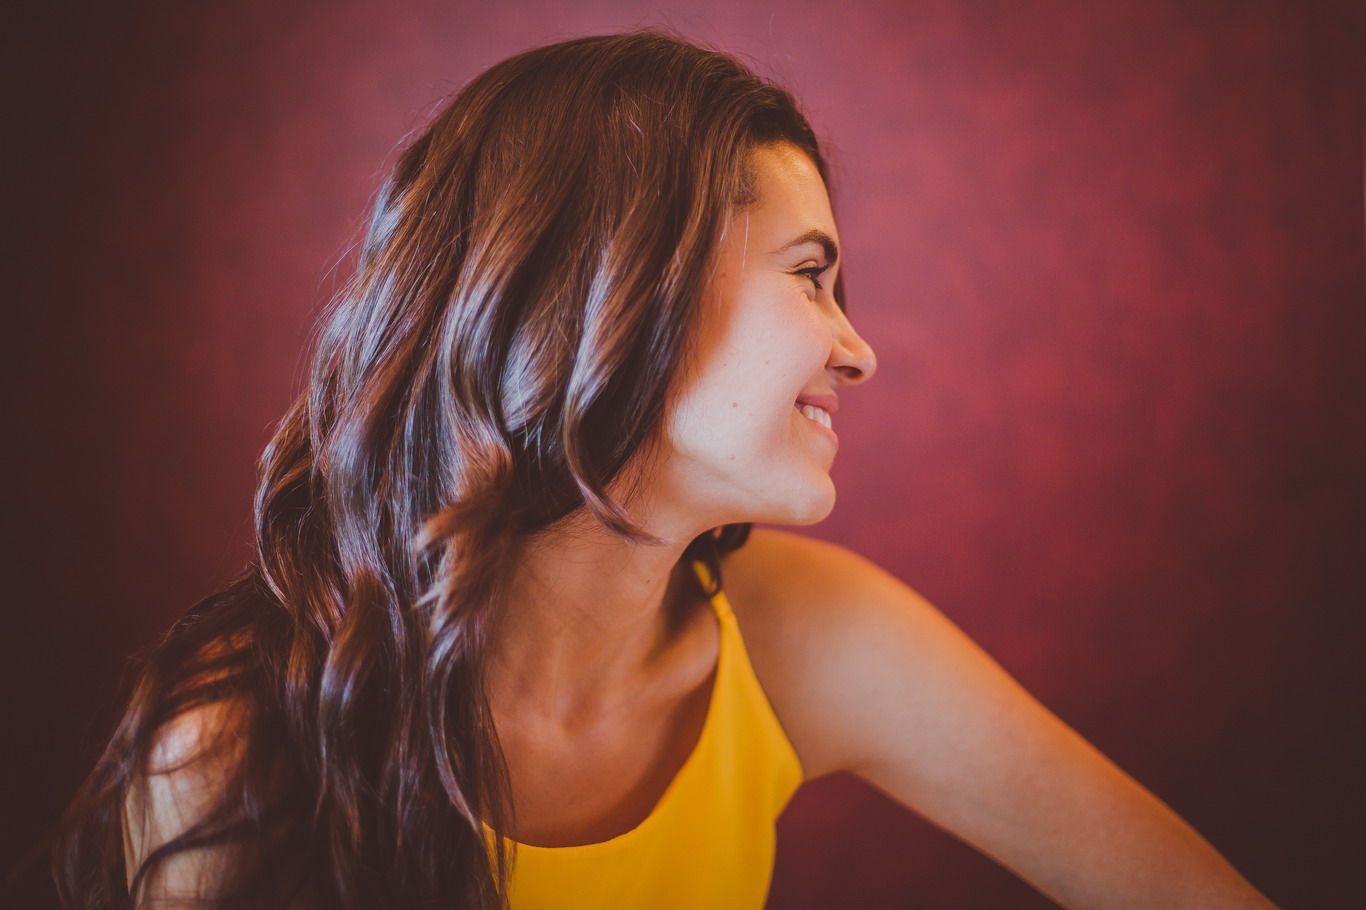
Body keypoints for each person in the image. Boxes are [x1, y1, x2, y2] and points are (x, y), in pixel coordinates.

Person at [51, 27, 1278, 910]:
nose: (858, 349)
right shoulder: (235, 747)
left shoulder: (804, 636)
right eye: (810, 276)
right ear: (615, 286)